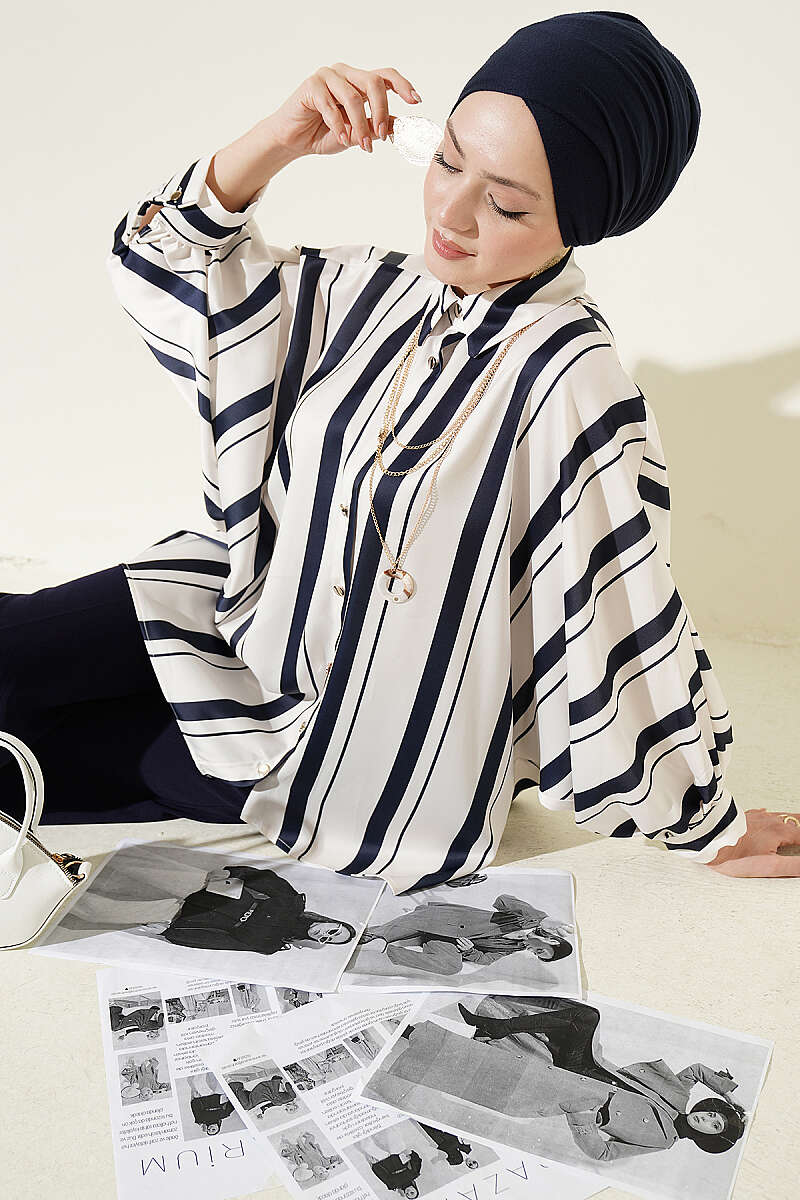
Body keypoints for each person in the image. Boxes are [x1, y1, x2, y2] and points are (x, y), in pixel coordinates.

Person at [2, 15, 798, 890]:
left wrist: (706, 824)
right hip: (215, 614)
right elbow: (163, 259)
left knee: (16, 770)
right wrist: (278, 138)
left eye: (506, 204)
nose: (451, 214)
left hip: (327, 751)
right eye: (448, 160)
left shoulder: (573, 381)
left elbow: (621, 611)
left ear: (584, 218)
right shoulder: (372, 292)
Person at [386, 1007, 747, 1163]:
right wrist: (726, 1090)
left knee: (479, 1066)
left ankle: (406, 1036)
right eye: (714, 1115)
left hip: (565, 1093)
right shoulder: (680, 1097)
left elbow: (604, 1153)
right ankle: (497, 1026)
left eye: (714, 1126)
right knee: (586, 1017)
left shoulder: (661, 1142)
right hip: (585, 1066)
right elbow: (696, 1070)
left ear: (708, 1139)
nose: (707, 1119)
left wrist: (582, 1117)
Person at [358, 893, 572, 975]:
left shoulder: (514, 947)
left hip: (446, 942)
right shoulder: (526, 918)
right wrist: (541, 918)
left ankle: (387, 952)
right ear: (550, 939)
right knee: (373, 936)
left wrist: (470, 951)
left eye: (537, 955)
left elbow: (487, 959)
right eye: (540, 951)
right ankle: (378, 938)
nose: (533, 952)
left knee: (452, 967)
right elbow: (503, 900)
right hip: (442, 919)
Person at [159, 865, 356, 954]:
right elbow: (265, 879)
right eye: (333, 931)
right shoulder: (293, 902)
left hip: (185, 916)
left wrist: (172, 933)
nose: (324, 935)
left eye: (327, 939)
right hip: (205, 888)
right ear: (330, 921)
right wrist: (230, 872)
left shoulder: (270, 945)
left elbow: (217, 942)